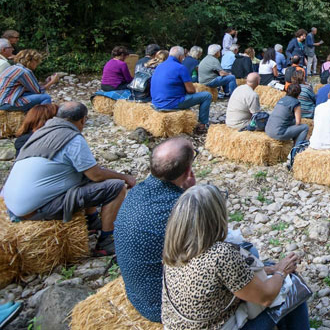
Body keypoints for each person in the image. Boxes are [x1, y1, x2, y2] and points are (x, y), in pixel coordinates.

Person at [161, 184, 310, 330]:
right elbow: (266, 297)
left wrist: (271, 269)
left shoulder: (175, 248)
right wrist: (281, 271)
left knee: (269, 267)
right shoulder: (220, 254)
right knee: (293, 285)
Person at [2, 102, 137, 255]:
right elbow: (96, 174)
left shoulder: (40, 133)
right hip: (33, 210)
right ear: (82, 120)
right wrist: (125, 177)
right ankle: (106, 242)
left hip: (11, 203)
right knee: (116, 186)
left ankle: (92, 221)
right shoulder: (72, 138)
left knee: (83, 175)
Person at [114, 138, 196, 323]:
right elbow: (210, 253)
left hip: (137, 296)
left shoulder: (136, 191)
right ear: (188, 171)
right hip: (165, 306)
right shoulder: (181, 207)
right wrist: (192, 193)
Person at [151, 47, 212, 133]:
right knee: (207, 95)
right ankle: (202, 125)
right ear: (180, 57)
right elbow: (191, 90)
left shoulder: (159, 66)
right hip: (171, 103)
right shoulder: (180, 68)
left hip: (156, 103)